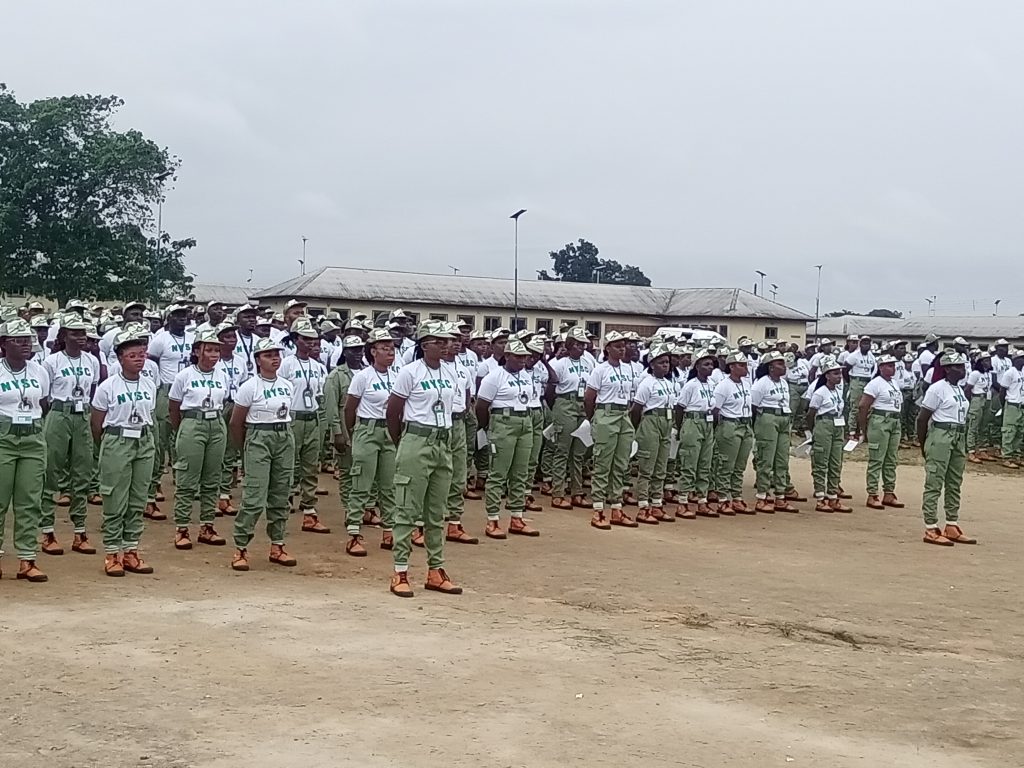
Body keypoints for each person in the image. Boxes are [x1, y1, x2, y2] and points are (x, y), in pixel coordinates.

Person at [385, 320, 462, 598]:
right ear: (425, 344)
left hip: (443, 441)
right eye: (440, 342)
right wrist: (405, 443)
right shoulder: (410, 372)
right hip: (417, 439)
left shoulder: (450, 372)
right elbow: (392, 412)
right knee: (407, 509)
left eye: (448, 341)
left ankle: (436, 569)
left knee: (436, 511)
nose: (446, 346)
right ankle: (400, 571)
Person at [91, 326, 158, 576]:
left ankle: (131, 550)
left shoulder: (149, 384)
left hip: (143, 440)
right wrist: (108, 444)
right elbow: (96, 423)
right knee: (115, 498)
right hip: (117, 440)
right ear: (120, 359)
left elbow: (150, 414)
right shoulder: (108, 386)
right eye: (132, 355)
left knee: (138, 497)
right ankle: (112, 552)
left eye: (142, 354)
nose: (139, 359)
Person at [229, 337, 296, 571]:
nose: (274, 359)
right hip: (258, 436)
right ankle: (240, 547)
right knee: (254, 496)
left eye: (277, 354)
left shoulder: (287, 385)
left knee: (281, 493)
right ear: (258, 360)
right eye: (268, 355)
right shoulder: (250, 386)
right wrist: (245, 449)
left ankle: (277, 544)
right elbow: (236, 422)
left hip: (283, 435)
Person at [40, 315, 100, 556]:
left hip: (82, 415)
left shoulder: (91, 360)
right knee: (51, 471)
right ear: (63, 336)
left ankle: (80, 531)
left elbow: (92, 390)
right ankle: (47, 530)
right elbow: (44, 397)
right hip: (58, 413)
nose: (81, 337)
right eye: (75, 332)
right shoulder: (51, 361)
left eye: (83, 332)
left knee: (82, 472)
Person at [168, 328, 230, 550]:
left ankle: (207, 526)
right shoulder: (184, 375)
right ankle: (182, 528)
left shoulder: (223, 375)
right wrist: (183, 429)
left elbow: (225, 400)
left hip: (216, 423)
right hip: (193, 422)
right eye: (209, 350)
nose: (214, 355)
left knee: (212, 478)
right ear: (196, 351)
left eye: (217, 351)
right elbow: (174, 407)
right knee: (187, 478)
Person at [0, 318, 51, 582]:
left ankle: (27, 559)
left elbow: (43, 402)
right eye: (18, 340)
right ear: (3, 344)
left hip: (33, 437)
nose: (25, 345)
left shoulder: (39, 371)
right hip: (3, 438)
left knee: (29, 500)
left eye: (28, 340)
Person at [342, 328, 401, 555]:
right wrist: (354, 433)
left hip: (390, 431)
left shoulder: (397, 376)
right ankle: (354, 533)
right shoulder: (363, 376)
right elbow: (349, 408)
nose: (390, 352)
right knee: (361, 484)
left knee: (389, 485)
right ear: (373, 351)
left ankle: (389, 530)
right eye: (384, 348)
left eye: (392, 348)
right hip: (367, 429)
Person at [475, 338, 540, 538]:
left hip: (525, 422)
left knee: (520, 472)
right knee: (498, 473)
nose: (522, 360)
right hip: (503, 422)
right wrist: (489, 427)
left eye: (524, 357)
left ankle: (517, 517)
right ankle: (493, 518)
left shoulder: (526, 376)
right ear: (507, 356)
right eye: (518, 357)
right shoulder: (494, 377)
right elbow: (481, 406)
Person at [917, 351, 976, 546]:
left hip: (958, 436)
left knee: (954, 481)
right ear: (947, 369)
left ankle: (951, 524)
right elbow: (922, 419)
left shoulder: (958, 389)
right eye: (958, 366)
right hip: (941, 435)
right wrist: (924, 444)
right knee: (934, 482)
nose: (962, 369)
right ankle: (931, 527)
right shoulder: (937, 389)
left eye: (963, 366)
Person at [278, 317, 329, 533]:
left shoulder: (319, 367)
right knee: (289, 461)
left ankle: (309, 507)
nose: (310, 343)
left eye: (312, 339)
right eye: (305, 339)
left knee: (311, 464)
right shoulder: (286, 364)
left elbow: (321, 395)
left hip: (312, 417)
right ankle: (285, 498)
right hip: (293, 417)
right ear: (295, 339)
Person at [145, 304, 195, 520]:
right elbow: (151, 365)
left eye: (184, 315)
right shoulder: (160, 339)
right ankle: (154, 486)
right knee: (161, 440)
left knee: (183, 438)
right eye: (177, 315)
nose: (182, 318)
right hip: (167, 390)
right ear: (169, 319)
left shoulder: (192, 338)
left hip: (189, 391)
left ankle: (182, 481)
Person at [584, 331, 637, 530]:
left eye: (623, 346)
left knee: (621, 463)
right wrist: (595, 418)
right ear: (607, 348)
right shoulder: (600, 370)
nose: (622, 349)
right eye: (617, 346)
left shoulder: (628, 369)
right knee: (603, 463)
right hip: (605, 413)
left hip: (623, 414)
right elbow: (589, 397)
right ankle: (598, 509)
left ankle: (616, 507)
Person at [546, 327, 594, 510]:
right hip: (565, 403)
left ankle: (577, 492)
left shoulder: (588, 362)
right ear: (569, 345)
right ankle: (558, 492)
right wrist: (557, 408)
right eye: (578, 344)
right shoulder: (560, 364)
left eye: (583, 345)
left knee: (579, 452)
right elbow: (550, 391)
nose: (581, 348)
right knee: (562, 450)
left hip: (583, 405)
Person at [629, 342, 676, 523]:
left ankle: (657, 504)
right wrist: (637, 428)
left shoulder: (669, 383)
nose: (665, 365)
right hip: (651, 422)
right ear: (652, 364)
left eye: (667, 362)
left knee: (661, 466)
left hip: (666, 422)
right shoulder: (646, 383)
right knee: (647, 467)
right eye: (661, 362)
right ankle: (643, 506)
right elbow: (636, 409)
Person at [324, 333, 366, 522]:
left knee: (365, 471)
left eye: (360, 349)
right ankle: (349, 509)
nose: (358, 353)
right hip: (345, 427)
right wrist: (337, 433)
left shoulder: (367, 372)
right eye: (353, 350)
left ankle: (364, 508)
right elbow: (331, 406)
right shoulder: (336, 376)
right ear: (345, 352)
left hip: (365, 427)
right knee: (348, 471)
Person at [750, 351, 799, 513]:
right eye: (780, 364)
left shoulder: (783, 382)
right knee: (766, 459)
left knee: (782, 460)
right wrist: (757, 426)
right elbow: (753, 406)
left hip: (784, 418)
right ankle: (762, 496)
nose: (784, 367)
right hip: (768, 418)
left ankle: (780, 496)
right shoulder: (761, 383)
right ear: (770, 367)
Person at [675, 348, 720, 517]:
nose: (710, 367)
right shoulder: (691, 385)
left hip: (708, 423)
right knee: (689, 463)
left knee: (705, 464)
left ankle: (702, 500)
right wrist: (680, 428)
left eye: (711, 364)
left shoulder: (712, 384)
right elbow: (679, 407)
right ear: (697, 366)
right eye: (706, 364)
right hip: (693, 421)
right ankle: (683, 501)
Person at [443, 326, 477, 544]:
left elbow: (467, 395)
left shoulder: (463, 369)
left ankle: (454, 521)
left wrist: (464, 414)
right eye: (450, 339)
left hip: (458, 423)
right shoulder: (433, 368)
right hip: (439, 424)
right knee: (437, 472)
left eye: (457, 339)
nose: (455, 343)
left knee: (458, 472)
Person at [857, 354, 905, 509]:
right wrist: (863, 428)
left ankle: (889, 492)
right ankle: (872, 494)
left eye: (893, 365)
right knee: (877, 458)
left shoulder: (894, 383)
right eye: (889, 365)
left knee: (891, 459)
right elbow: (863, 406)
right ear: (881, 367)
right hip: (880, 420)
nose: (893, 368)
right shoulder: (875, 383)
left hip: (894, 421)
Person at [805, 357, 851, 513]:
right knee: (821, 461)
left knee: (836, 462)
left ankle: (833, 496)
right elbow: (810, 414)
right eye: (835, 373)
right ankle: (820, 498)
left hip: (837, 425)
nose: (839, 376)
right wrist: (813, 431)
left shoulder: (837, 391)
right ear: (827, 376)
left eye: (840, 373)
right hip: (824, 424)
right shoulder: (820, 392)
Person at [711, 352, 754, 514]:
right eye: (741, 365)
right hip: (730, 424)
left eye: (745, 365)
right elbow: (715, 410)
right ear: (731, 367)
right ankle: (722, 498)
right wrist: (719, 429)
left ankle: (736, 497)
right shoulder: (723, 386)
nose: (745, 368)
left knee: (740, 465)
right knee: (726, 464)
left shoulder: (746, 383)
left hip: (745, 424)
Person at [215, 319, 246, 515]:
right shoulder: (213, 361)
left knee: (230, 451)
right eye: (226, 337)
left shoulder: (241, 361)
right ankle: (210, 492)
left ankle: (224, 494)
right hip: (219, 406)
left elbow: (245, 384)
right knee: (215, 451)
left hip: (236, 405)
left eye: (233, 336)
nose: (231, 340)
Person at [964, 351, 994, 464]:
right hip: (977, 398)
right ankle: (971, 451)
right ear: (980, 362)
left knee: (984, 426)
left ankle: (982, 449)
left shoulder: (988, 374)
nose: (988, 362)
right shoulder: (975, 374)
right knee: (973, 425)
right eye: (986, 360)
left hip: (987, 399)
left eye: (989, 360)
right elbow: (968, 389)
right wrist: (970, 402)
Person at [997, 349, 1024, 469]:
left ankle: (1016, 456)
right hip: (1012, 404)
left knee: (1020, 432)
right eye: (1021, 358)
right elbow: (1002, 391)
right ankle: (1006, 457)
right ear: (1015, 360)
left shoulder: (1023, 371)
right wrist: (1004, 406)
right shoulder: (1009, 373)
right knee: (1009, 431)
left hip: (1021, 405)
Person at [843, 335, 876, 419]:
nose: (866, 345)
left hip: (868, 381)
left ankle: (863, 425)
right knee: (855, 406)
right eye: (864, 343)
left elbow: (872, 368)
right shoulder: (854, 355)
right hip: (857, 381)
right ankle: (852, 426)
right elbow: (845, 369)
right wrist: (850, 381)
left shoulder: (871, 356)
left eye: (868, 343)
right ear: (860, 344)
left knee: (867, 406)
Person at [784, 350, 810, 433]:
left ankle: (797, 426)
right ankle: (789, 427)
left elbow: (810, 372)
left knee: (802, 407)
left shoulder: (803, 362)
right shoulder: (786, 367)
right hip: (793, 386)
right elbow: (784, 379)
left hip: (805, 385)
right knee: (793, 407)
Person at [897, 353, 919, 447]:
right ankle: (902, 436)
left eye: (910, 363)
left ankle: (911, 436)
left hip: (912, 392)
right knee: (903, 415)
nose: (909, 364)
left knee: (911, 415)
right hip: (904, 392)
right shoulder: (902, 371)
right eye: (907, 363)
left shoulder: (912, 372)